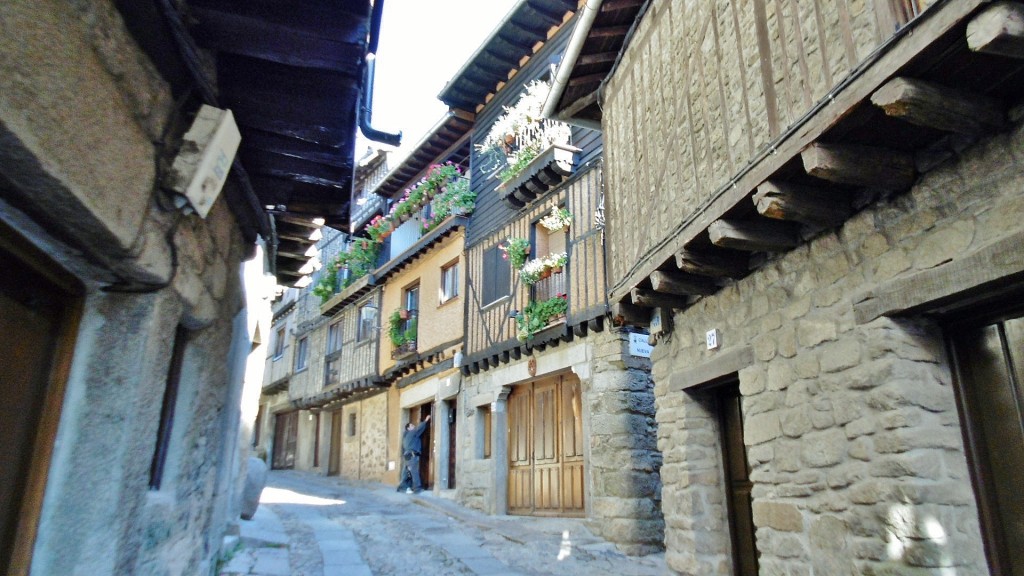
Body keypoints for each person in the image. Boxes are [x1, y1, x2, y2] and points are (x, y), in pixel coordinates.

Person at [397, 414, 430, 494]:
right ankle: (417, 489)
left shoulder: (405, 436)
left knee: (406, 473)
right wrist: (426, 420)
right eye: (412, 425)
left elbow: (402, 448)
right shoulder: (412, 433)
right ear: (408, 428)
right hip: (412, 456)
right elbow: (419, 428)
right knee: (414, 472)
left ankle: (402, 487)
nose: (414, 426)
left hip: (407, 456)